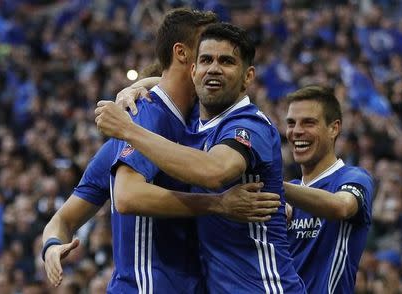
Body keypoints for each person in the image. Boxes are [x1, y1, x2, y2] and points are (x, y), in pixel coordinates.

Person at [43, 9, 281, 293]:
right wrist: (51, 246)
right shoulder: (145, 114)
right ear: (183, 54)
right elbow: (123, 197)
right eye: (205, 49)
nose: (213, 56)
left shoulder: (195, 119)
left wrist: (279, 196)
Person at [95, 22, 306, 293]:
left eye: (227, 61)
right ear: (193, 70)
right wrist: (138, 86)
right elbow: (173, 83)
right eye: (206, 60)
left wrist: (128, 129)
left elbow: (215, 170)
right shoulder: (194, 123)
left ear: (248, 77)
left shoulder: (250, 124)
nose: (214, 68)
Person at [283, 85, 375, 293]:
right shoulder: (290, 193)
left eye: (309, 122)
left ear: (334, 128)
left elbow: (340, 207)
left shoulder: (353, 178)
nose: (296, 131)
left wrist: (276, 187)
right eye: (291, 123)